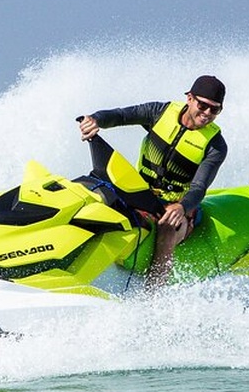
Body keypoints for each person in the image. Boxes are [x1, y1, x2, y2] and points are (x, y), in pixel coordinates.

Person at [79, 75, 228, 289]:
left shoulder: (215, 146)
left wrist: (182, 206)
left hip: (176, 206)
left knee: (168, 226)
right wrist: (95, 119)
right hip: (139, 192)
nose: (206, 114)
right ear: (189, 98)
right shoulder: (159, 112)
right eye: (202, 105)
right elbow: (121, 115)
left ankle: (153, 294)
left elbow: (199, 187)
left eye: (214, 110)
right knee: (92, 189)